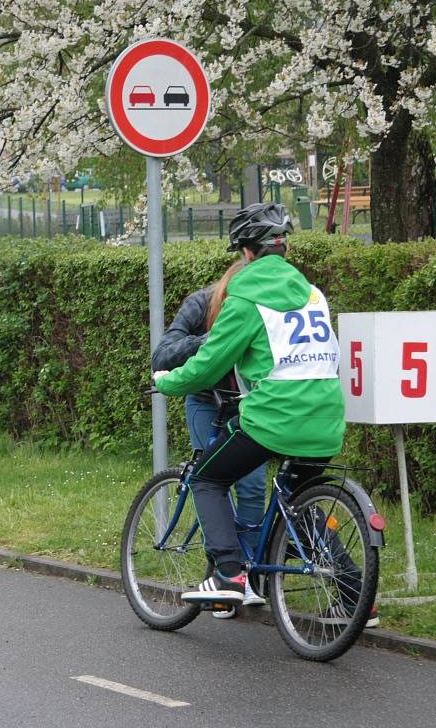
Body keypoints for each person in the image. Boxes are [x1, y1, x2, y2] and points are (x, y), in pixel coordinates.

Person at [154, 202, 378, 627]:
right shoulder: (313, 294)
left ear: (246, 252)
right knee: (298, 504)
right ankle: (356, 596)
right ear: (283, 249)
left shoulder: (244, 300)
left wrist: (166, 382)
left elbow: (208, 366)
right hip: (327, 419)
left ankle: (230, 575)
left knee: (208, 478)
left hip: (274, 419)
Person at [151, 261, 267, 615]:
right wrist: (213, 339)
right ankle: (224, 572)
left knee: (252, 486)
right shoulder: (200, 304)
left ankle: (248, 574)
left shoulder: (263, 306)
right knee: (212, 482)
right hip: (207, 403)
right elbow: (163, 353)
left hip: (251, 405)